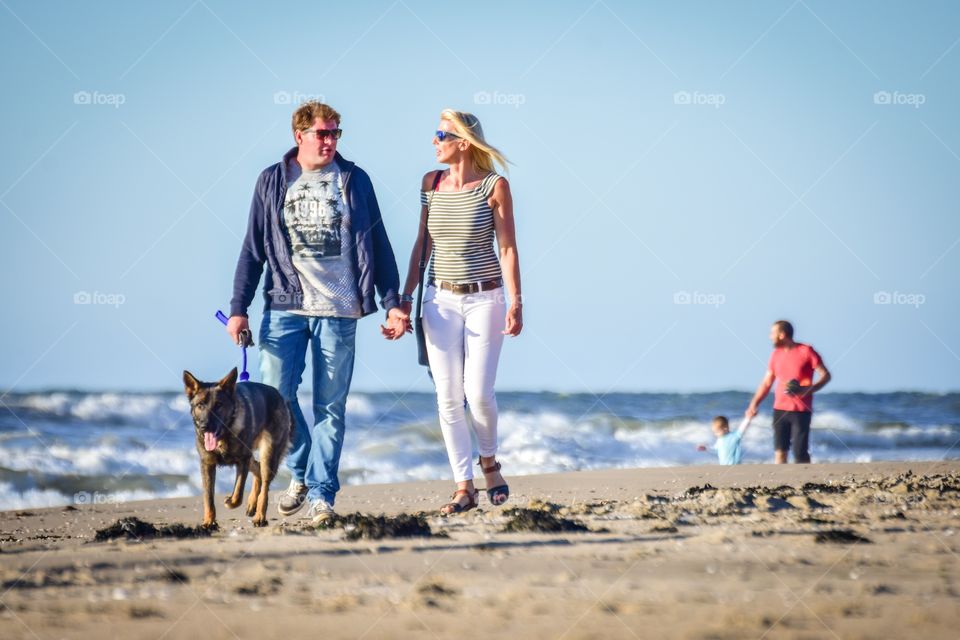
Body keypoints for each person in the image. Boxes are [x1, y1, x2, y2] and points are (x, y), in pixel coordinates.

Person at [226, 101, 408, 523]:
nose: (329, 141)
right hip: (284, 307)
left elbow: (378, 247)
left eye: (335, 133)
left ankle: (323, 494)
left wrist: (393, 303)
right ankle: (302, 471)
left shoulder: (354, 180)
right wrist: (239, 308)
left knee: (330, 407)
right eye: (322, 133)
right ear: (299, 135)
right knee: (276, 399)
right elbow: (253, 249)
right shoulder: (273, 181)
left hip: (339, 310)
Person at [395, 109, 522, 515]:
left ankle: (489, 462)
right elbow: (422, 245)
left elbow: (507, 248)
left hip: (486, 298)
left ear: (463, 143)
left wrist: (516, 300)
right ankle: (463, 487)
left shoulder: (494, 185)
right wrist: (403, 297)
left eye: (441, 135)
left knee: (478, 393)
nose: (434, 142)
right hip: (440, 300)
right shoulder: (430, 184)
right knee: (448, 398)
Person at [745, 320, 832, 464]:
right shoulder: (775, 354)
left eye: (772, 333)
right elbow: (767, 382)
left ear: (782, 334)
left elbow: (826, 375)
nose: (770, 336)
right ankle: (781, 484)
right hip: (779, 409)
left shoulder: (806, 351)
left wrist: (808, 389)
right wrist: (754, 404)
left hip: (801, 410)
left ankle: (806, 482)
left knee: (800, 453)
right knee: (780, 453)